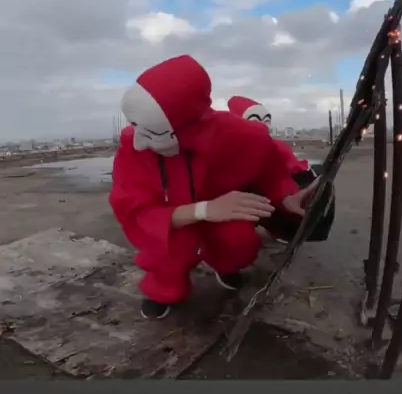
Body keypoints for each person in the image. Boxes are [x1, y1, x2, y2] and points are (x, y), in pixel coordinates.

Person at [109, 55, 312, 320]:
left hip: (222, 213)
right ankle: (164, 290)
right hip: (171, 220)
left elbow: (271, 170)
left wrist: (286, 197)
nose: (138, 141)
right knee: (168, 251)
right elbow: (135, 207)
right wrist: (204, 210)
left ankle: (224, 264)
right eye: (134, 124)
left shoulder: (240, 135)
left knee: (240, 241)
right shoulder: (133, 146)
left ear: (187, 126)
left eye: (152, 132)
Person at [227, 94, 335, 244]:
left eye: (267, 121)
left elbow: (286, 169)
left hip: (287, 188)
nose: (263, 125)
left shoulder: (273, 145)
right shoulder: (238, 149)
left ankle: (298, 229)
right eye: (255, 120)